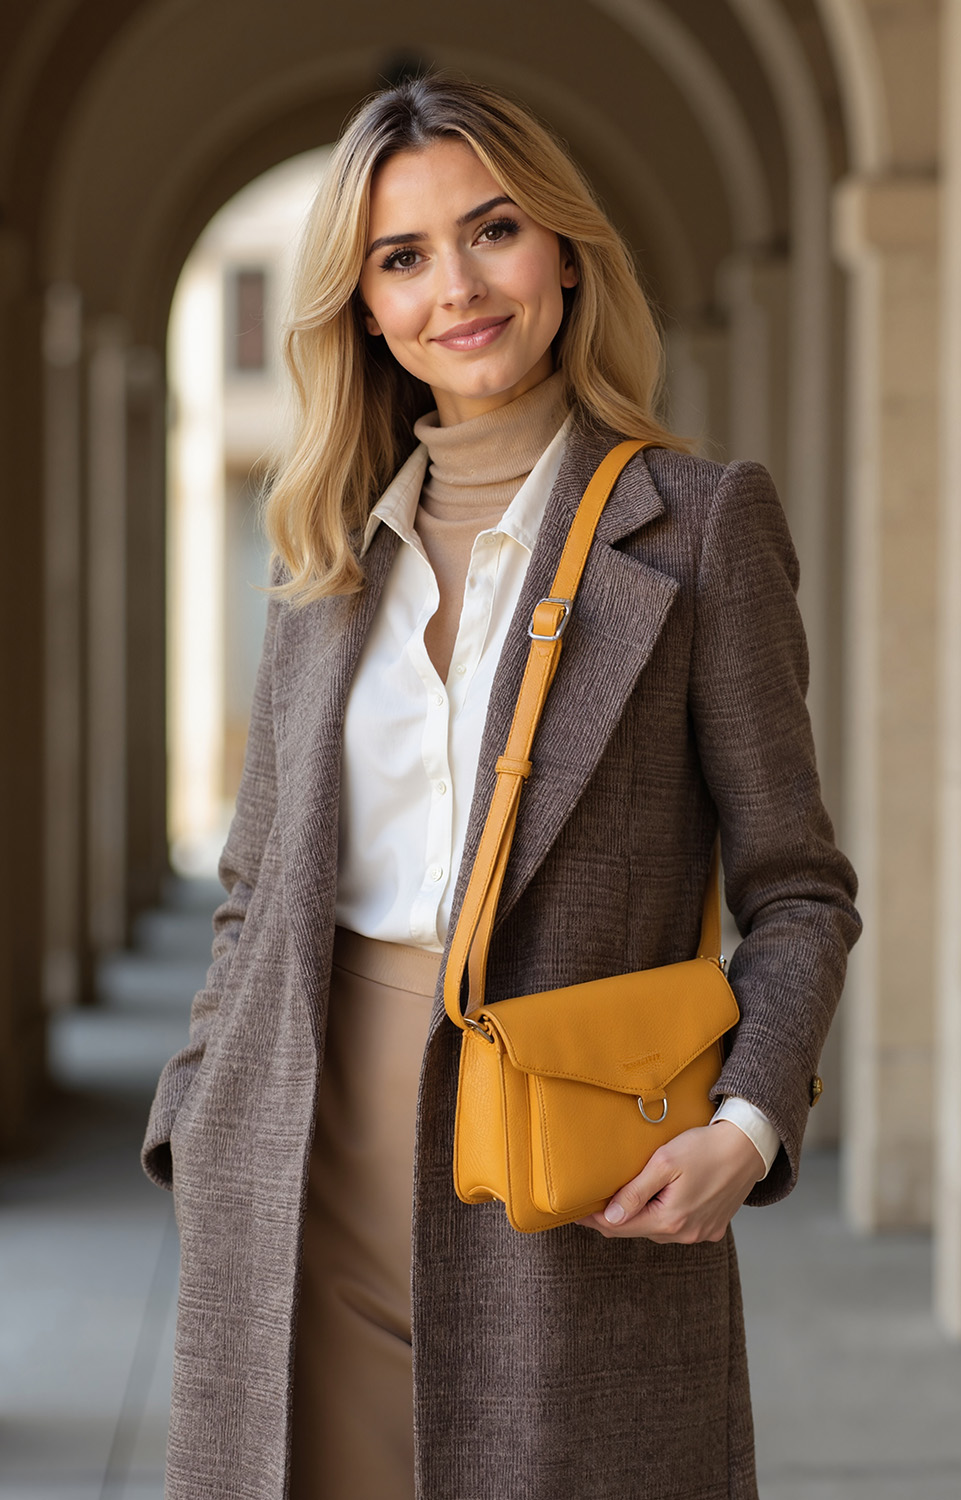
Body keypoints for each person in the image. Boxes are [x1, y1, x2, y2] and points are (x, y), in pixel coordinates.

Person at [143, 74, 860, 1500]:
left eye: (493, 232)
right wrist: (202, 1116)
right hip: (297, 1165)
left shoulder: (701, 526)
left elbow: (799, 892)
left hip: (571, 1167)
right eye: (402, 258)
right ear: (362, 307)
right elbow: (254, 884)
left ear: (566, 253)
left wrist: (748, 1120)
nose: (455, 289)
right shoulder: (325, 560)